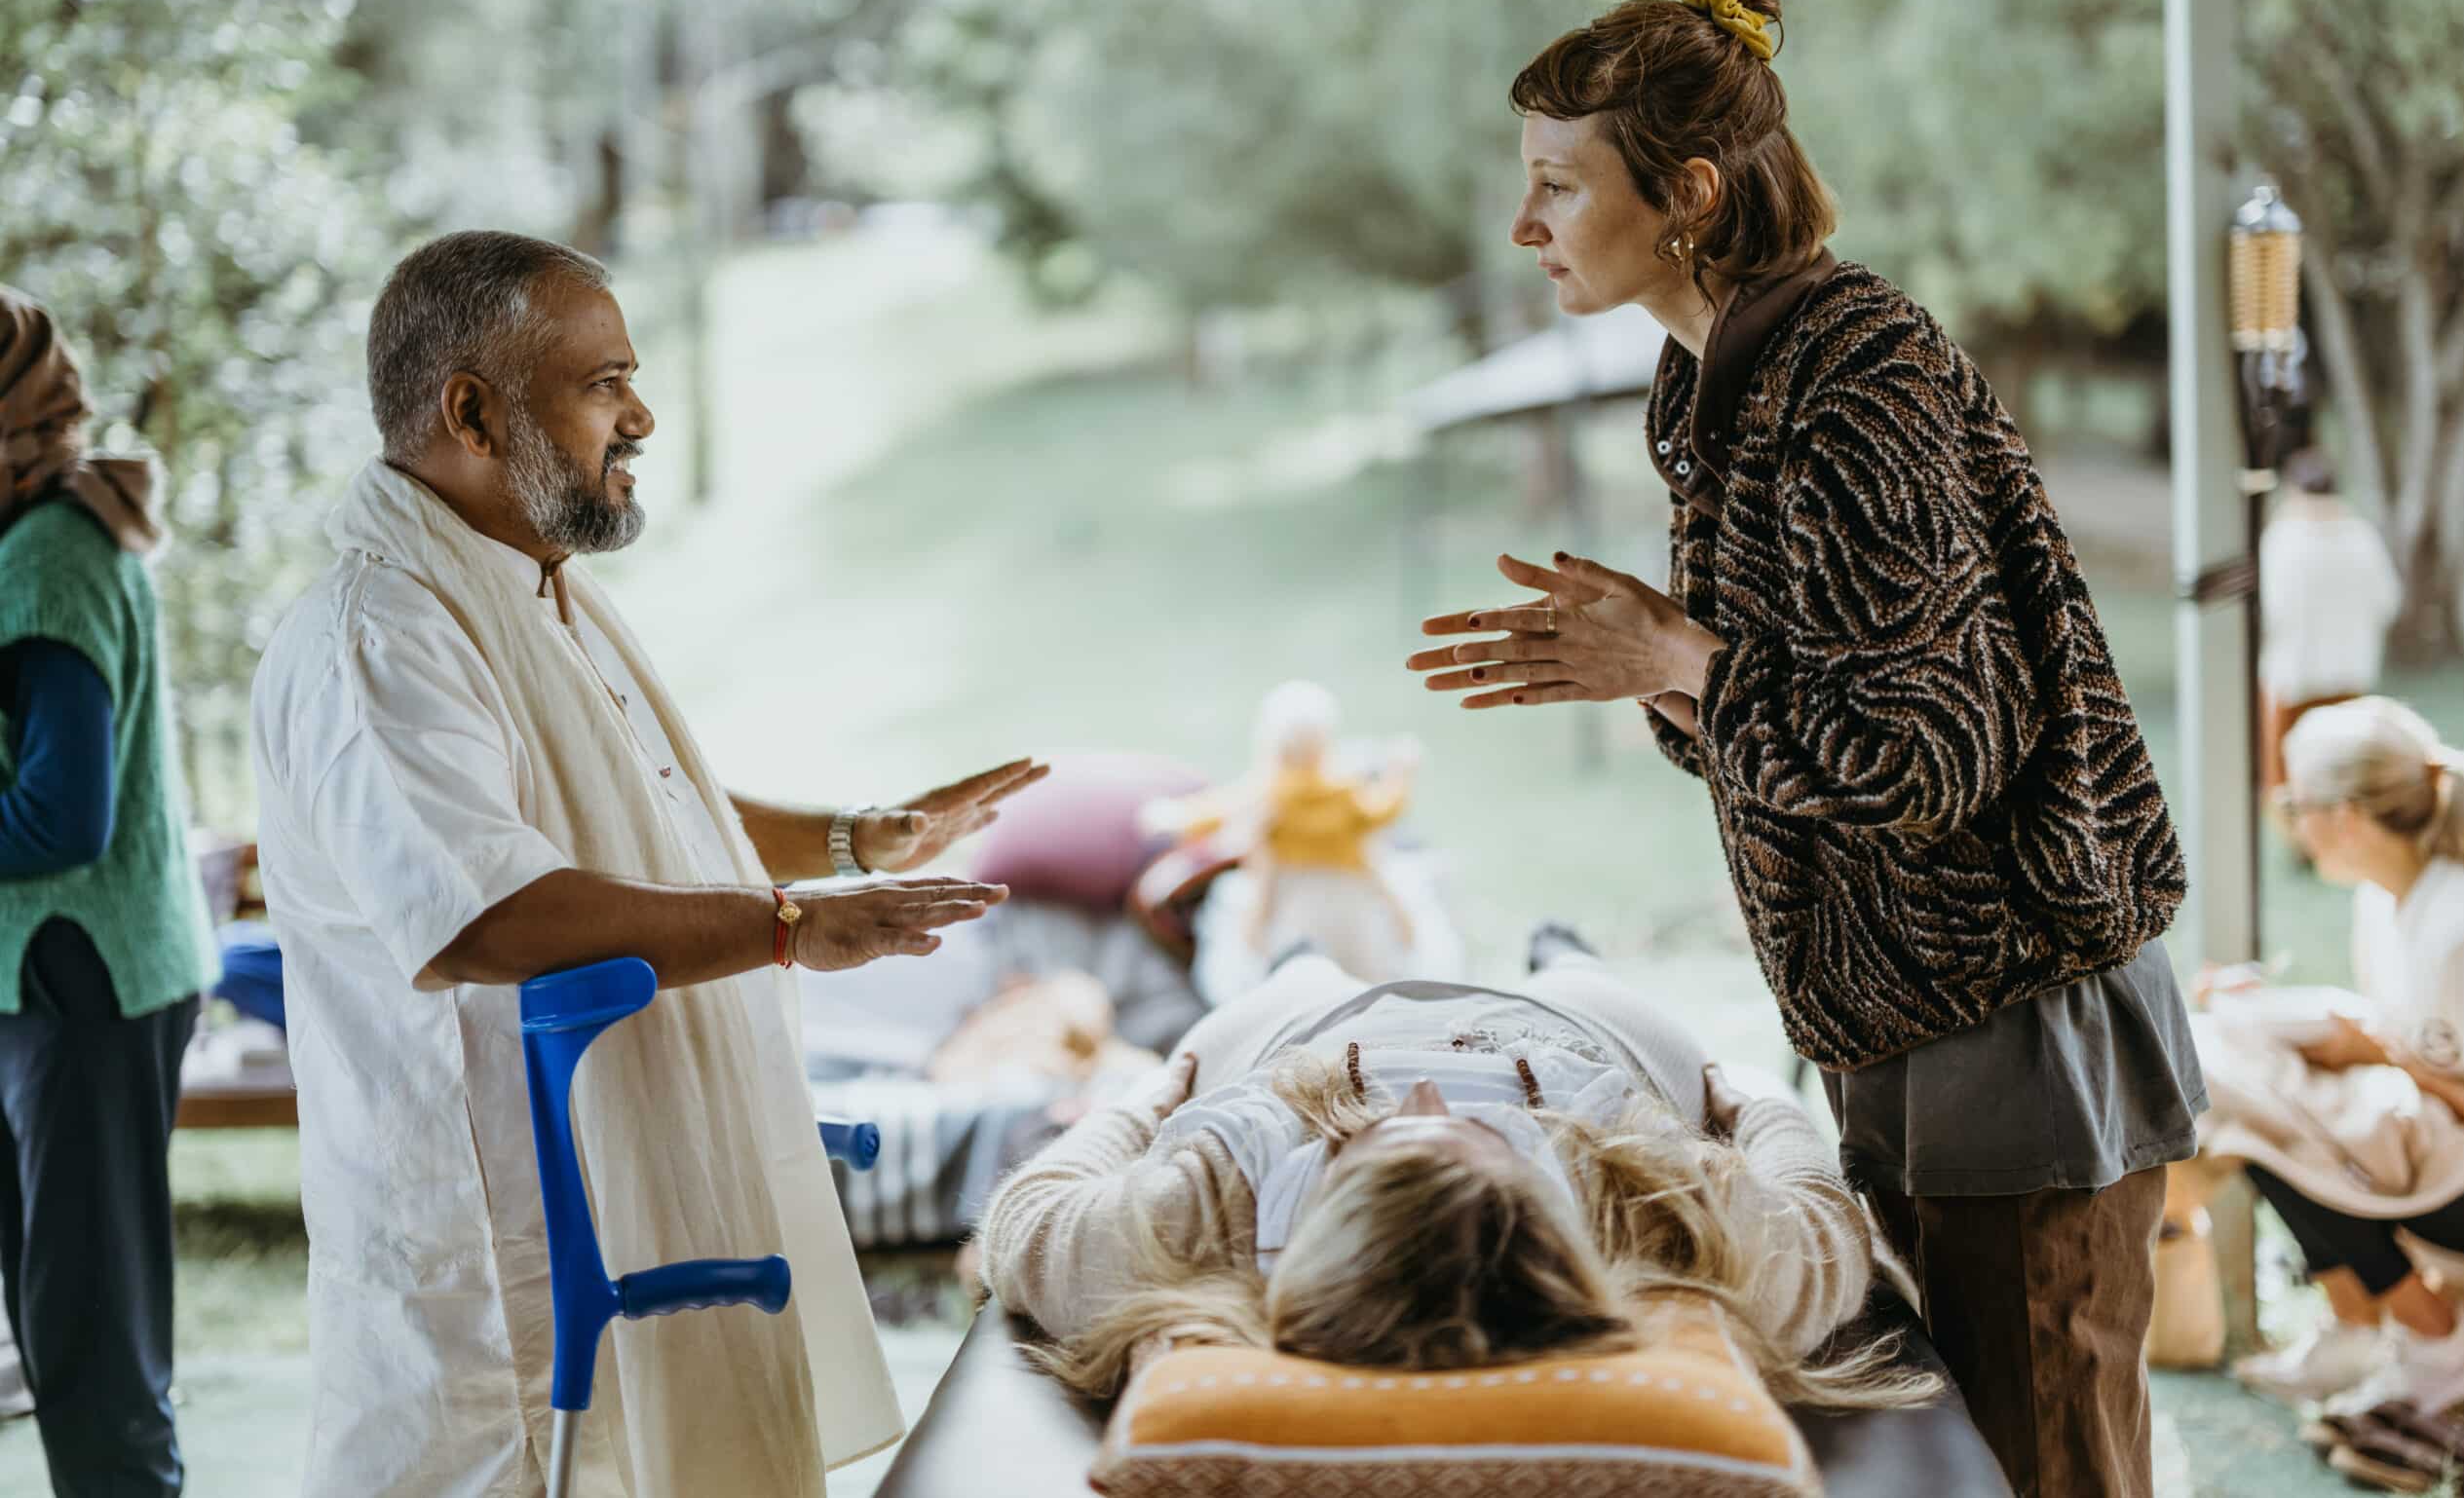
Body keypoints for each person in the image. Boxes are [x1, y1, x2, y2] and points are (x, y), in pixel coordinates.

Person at [1402, 0, 2204, 1498]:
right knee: (1963, 1461)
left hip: (2015, 1025)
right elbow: (1805, 714)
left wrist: (1682, 654)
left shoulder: (1853, 383)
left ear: (1689, 190)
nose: (1526, 228)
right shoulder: (1734, 383)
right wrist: (1660, 664)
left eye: (1560, 188)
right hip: (1919, 1029)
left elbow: (1935, 743)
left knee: (2045, 1467)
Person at [250, 231, 1036, 1498]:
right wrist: (790, 922)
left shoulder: (522, 583)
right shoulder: (380, 633)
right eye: (606, 380)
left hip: (623, 1204)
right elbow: (486, 910)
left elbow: (635, 805)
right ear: (473, 410)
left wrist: (853, 836)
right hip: (492, 1264)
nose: (643, 415)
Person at [980, 923, 1934, 1413]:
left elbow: (1025, 1217)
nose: (1426, 1101)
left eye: (1389, 1142)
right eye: (1477, 1141)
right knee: (1578, 974)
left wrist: (1144, 1100)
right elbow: (1826, 1226)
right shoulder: (1648, 1210)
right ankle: (1564, 953)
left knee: (1295, 974)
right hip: (1570, 1042)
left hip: (1302, 1041)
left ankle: (1298, 955)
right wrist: (1751, 1100)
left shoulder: (1197, 1215)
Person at [0, 286, 210, 1496]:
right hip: (61, 981)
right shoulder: (45, 526)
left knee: (91, 1350)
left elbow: (58, 816)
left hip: (82, 983)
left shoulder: (54, 557)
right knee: (65, 1321)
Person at [2206, 698, 2464, 1423]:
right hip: (2450, 1156)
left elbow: (2421, 1062)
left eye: (2291, 803)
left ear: (2344, 817)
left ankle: (2441, 1341)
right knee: (2235, 1057)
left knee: (2262, 1106)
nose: (2289, 820)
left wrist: (2387, 1056)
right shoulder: (2389, 897)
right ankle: (2362, 1325)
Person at [1148, 681, 1451, 1000]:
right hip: (1351, 893)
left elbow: (1217, 812)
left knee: (1291, 964)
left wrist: (1171, 816)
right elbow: (1385, 810)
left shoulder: (1272, 791)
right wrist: (1400, 774)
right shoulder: (1343, 790)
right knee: (1366, 967)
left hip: (1291, 894)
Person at [2257, 448, 2402, 794]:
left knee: (2288, 784)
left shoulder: (2284, 538)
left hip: (2293, 681)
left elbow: (2272, 611)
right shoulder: (2361, 536)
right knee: (2341, 783)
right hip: (2350, 676)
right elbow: (2389, 601)